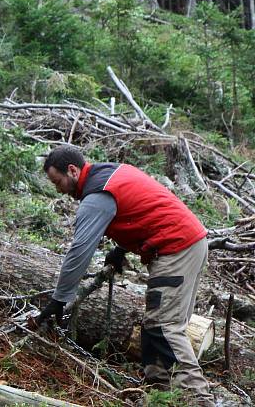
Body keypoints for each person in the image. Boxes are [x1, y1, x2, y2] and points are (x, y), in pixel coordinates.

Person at [37, 145, 214, 406]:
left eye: (58, 181)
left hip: (176, 248)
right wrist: (120, 249)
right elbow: (141, 207)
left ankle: (199, 399)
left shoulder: (97, 195)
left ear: (72, 171)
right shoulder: (111, 174)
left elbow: (79, 252)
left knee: (165, 327)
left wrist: (59, 298)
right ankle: (160, 394)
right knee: (156, 325)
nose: (58, 189)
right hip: (188, 243)